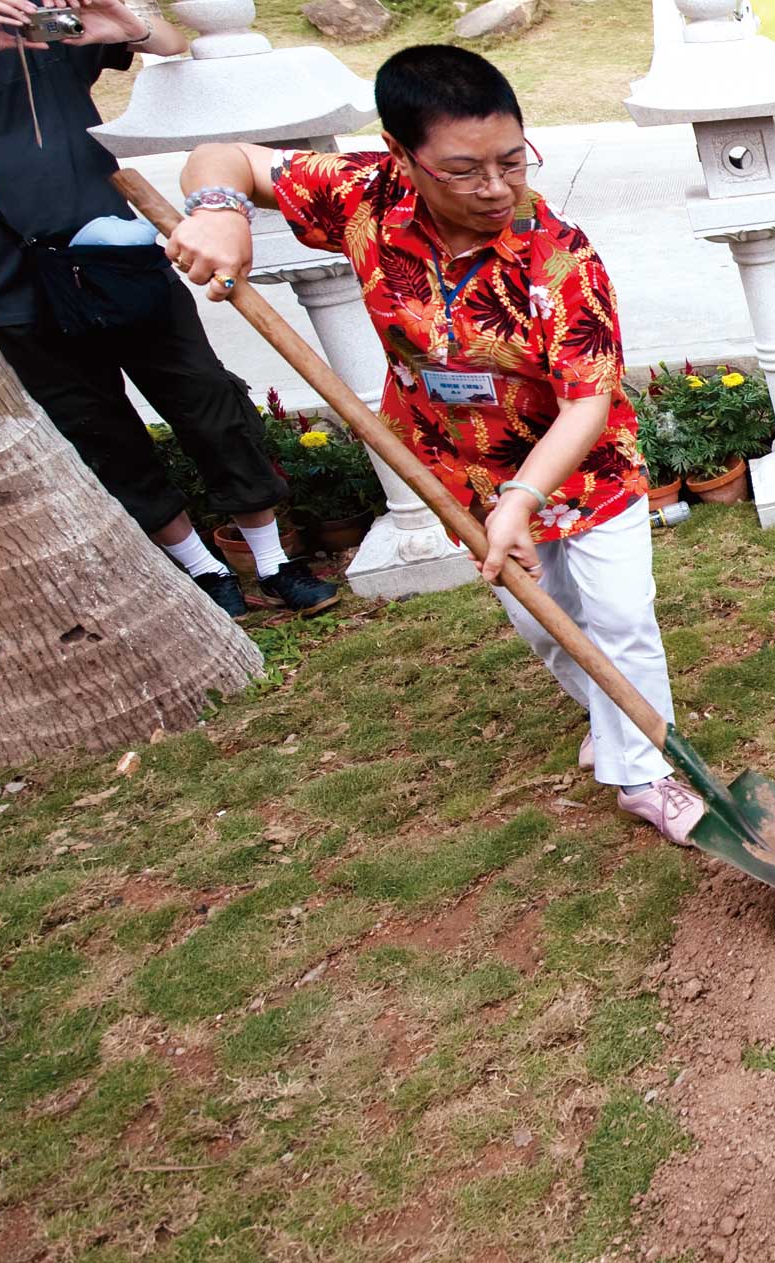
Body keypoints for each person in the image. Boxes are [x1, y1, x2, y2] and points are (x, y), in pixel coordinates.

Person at [164, 46, 706, 846]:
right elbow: (228, 159)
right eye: (463, 170)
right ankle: (613, 717)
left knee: (620, 619)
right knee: (545, 626)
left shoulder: (559, 257)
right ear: (401, 155)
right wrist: (217, 207)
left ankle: (644, 773)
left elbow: (588, 401)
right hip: (459, 476)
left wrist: (526, 498)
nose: (496, 188)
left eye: (512, 161)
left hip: (583, 475)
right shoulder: (365, 197)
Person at [0, 0, 333, 620]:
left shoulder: (8, 3)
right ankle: (202, 571)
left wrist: (134, 28)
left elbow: (170, 50)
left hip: (107, 251)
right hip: (3, 285)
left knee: (204, 399)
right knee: (99, 431)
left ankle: (273, 560)